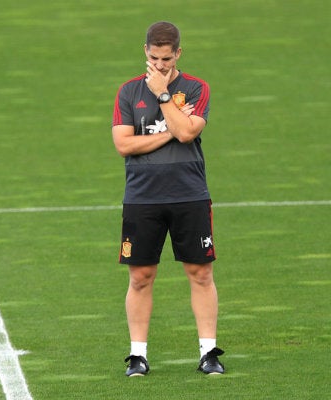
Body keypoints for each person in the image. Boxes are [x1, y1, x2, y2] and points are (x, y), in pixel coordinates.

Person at [112, 21, 225, 376]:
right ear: (145, 51)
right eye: (154, 57)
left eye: (166, 58)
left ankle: (209, 352)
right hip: (142, 196)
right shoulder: (128, 92)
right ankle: (138, 355)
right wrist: (171, 132)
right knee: (141, 276)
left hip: (189, 194)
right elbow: (124, 145)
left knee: (200, 272)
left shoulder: (196, 87)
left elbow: (189, 133)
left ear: (178, 53)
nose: (160, 64)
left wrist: (163, 96)